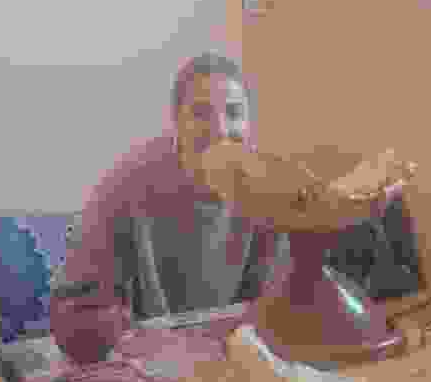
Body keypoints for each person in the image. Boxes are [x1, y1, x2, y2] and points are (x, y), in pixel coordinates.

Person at [50, 52, 282, 364]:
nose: (220, 130)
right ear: (176, 122)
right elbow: (72, 321)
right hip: (139, 368)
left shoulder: (265, 192)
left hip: (228, 366)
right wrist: (146, 342)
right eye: (201, 113)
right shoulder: (125, 184)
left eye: (234, 113)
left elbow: (274, 308)